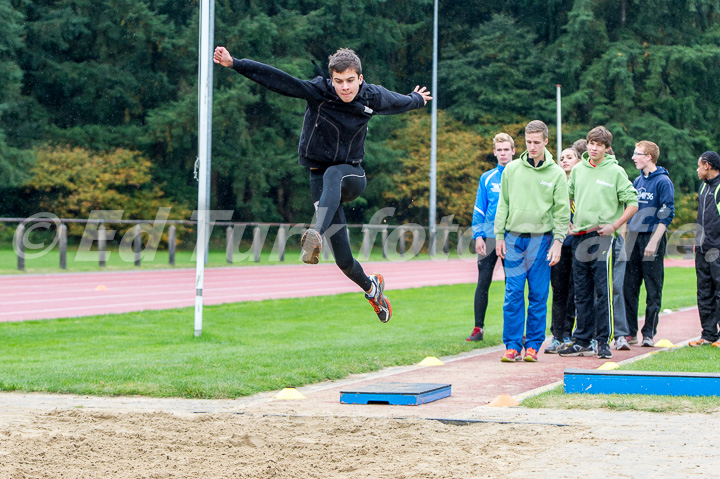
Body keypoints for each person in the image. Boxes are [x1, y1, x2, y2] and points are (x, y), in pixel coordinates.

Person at [213, 46, 432, 323]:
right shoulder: (319, 92)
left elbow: (399, 101)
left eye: (350, 80)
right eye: (338, 81)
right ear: (331, 80)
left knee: (334, 175)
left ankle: (314, 234)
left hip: (351, 176)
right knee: (344, 261)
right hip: (318, 178)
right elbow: (280, 80)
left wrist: (417, 99)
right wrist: (236, 63)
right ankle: (371, 288)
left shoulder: (371, 96)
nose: (345, 88)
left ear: (360, 78)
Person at [558, 126, 638, 360]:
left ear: (606, 148)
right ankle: (582, 340)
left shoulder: (616, 171)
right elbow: (568, 196)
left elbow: (632, 202)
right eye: (591, 143)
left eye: (599, 145)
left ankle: (603, 341)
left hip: (603, 237)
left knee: (603, 292)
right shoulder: (579, 170)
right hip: (579, 237)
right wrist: (570, 222)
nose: (593, 148)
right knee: (581, 293)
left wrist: (614, 226)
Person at [494, 120, 570, 362]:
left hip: (542, 240)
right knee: (513, 294)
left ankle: (533, 345)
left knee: (538, 295)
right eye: (529, 142)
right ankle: (513, 345)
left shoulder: (556, 173)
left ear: (546, 141)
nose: (533, 146)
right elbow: (502, 203)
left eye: (537, 142)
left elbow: (561, 211)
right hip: (514, 239)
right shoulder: (512, 170)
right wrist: (499, 236)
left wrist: (558, 242)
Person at [623, 141, 675, 347]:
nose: (634, 157)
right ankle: (629, 331)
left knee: (653, 288)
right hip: (634, 239)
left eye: (638, 154)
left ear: (649, 157)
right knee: (629, 287)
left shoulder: (663, 181)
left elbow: (667, 214)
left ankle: (649, 333)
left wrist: (654, 241)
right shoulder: (637, 181)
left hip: (652, 237)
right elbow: (631, 210)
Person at [467, 133, 514, 341]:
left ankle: (513, 330)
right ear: (494, 152)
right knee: (483, 282)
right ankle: (478, 329)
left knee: (512, 284)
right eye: (499, 150)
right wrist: (478, 235)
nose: (503, 153)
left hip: (512, 237)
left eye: (506, 149)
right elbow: (479, 207)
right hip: (488, 236)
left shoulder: (519, 176)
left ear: (513, 151)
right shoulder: (486, 177)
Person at [545, 148, 580, 353]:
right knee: (558, 290)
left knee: (575, 292)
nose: (564, 161)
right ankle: (557, 335)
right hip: (558, 243)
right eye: (562, 158)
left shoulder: (582, 183)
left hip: (579, 244)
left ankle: (572, 333)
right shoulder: (556, 184)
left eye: (569, 157)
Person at [689, 151, 720, 347]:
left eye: (699, 165)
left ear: (707, 165)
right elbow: (702, 216)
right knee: (704, 292)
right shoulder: (703, 187)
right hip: (702, 249)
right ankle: (708, 334)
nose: (697, 169)